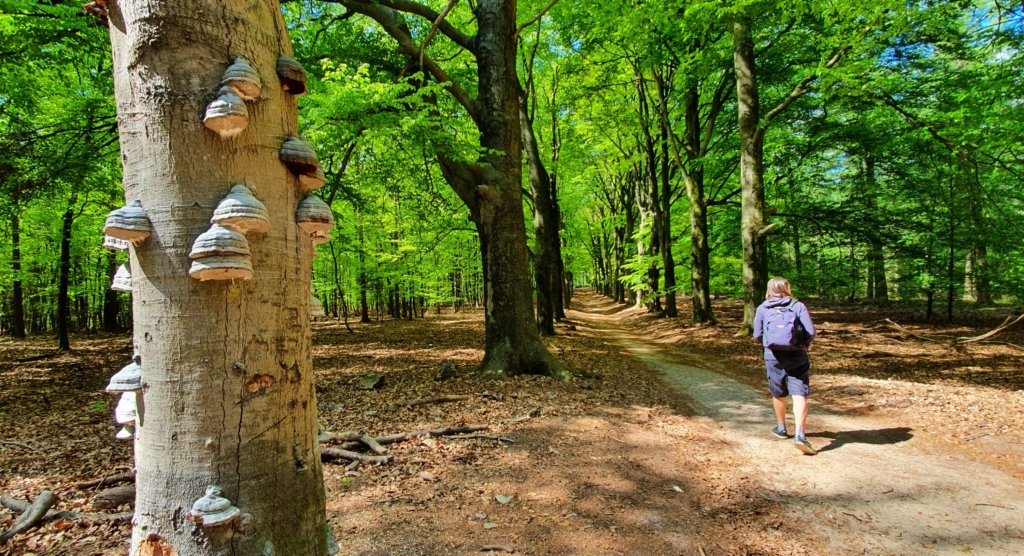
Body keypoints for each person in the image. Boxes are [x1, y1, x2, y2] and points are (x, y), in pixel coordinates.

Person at [753, 277, 817, 455]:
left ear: (769, 289)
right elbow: (811, 332)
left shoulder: (763, 308)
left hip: (773, 355)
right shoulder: (797, 306)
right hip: (797, 355)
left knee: (778, 392)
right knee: (799, 393)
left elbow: (757, 333)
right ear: (787, 288)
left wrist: (769, 344)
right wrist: (802, 345)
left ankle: (781, 427)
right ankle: (799, 435)